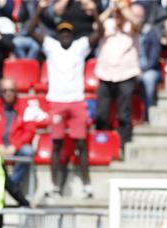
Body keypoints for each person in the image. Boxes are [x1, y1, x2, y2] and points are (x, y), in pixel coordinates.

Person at [28, 0, 103, 199]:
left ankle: (87, 185)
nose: (65, 35)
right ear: (58, 34)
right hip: (57, 101)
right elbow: (30, 31)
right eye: (62, 32)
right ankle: (54, 186)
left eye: (68, 32)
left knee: (80, 144)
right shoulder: (51, 46)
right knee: (57, 144)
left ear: (72, 34)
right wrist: (39, 9)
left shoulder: (80, 46)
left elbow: (99, 33)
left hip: (76, 100)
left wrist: (95, 13)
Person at [0, 78, 48, 186]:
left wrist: (15, 146)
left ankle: (11, 185)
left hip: (17, 145)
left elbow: (29, 131)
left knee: (28, 152)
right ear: (0, 91)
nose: (8, 93)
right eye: (5, 90)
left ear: (16, 91)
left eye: (11, 90)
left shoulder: (26, 107)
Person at [94, 0, 142, 149]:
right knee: (101, 113)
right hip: (105, 73)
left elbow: (137, 24)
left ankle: (123, 145)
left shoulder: (130, 25)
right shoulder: (108, 24)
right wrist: (110, 10)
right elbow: (96, 25)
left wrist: (124, 9)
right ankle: (102, 144)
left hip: (126, 74)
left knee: (124, 114)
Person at [133, 1, 161, 123]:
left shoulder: (150, 31)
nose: (137, 20)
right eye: (134, 16)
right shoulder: (126, 31)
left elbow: (154, 58)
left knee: (148, 79)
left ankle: (148, 114)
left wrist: (141, 70)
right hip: (129, 69)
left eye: (139, 16)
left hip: (147, 69)